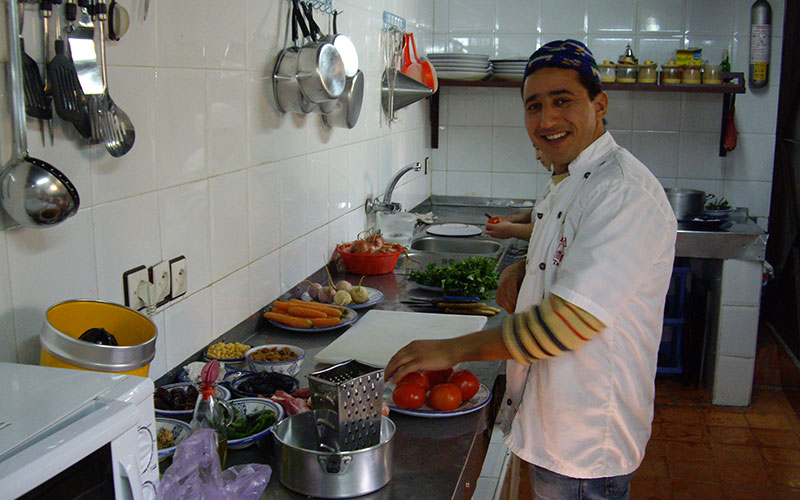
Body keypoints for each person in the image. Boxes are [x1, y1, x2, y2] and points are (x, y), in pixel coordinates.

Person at [386, 39, 678, 500]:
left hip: (585, 434)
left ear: (599, 105)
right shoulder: (570, 177)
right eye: (534, 106)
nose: (546, 121)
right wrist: (525, 268)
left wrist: (452, 349)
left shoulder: (623, 192)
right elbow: (569, 250)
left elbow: (568, 323)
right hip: (554, 417)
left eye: (563, 101)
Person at [484, 149, 553, 241]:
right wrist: (513, 218)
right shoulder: (555, 178)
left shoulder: (571, 183)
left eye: (540, 149)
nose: (537, 157)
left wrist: (511, 230)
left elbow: (551, 231)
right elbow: (541, 214)